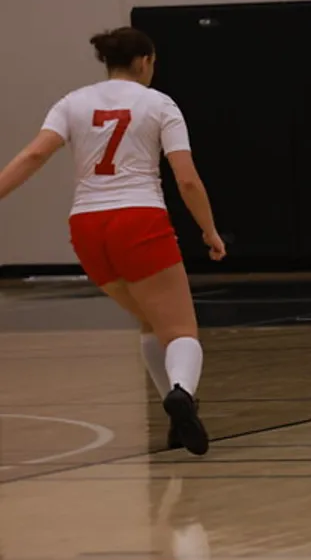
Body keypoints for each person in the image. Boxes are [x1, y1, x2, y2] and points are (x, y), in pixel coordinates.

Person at [0, 27, 224, 455]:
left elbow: (32, 156)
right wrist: (209, 230)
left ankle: (177, 420)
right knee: (180, 331)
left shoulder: (72, 102)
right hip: (139, 219)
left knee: (149, 322)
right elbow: (188, 180)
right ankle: (182, 393)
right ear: (144, 61)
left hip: (86, 227)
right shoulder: (160, 104)